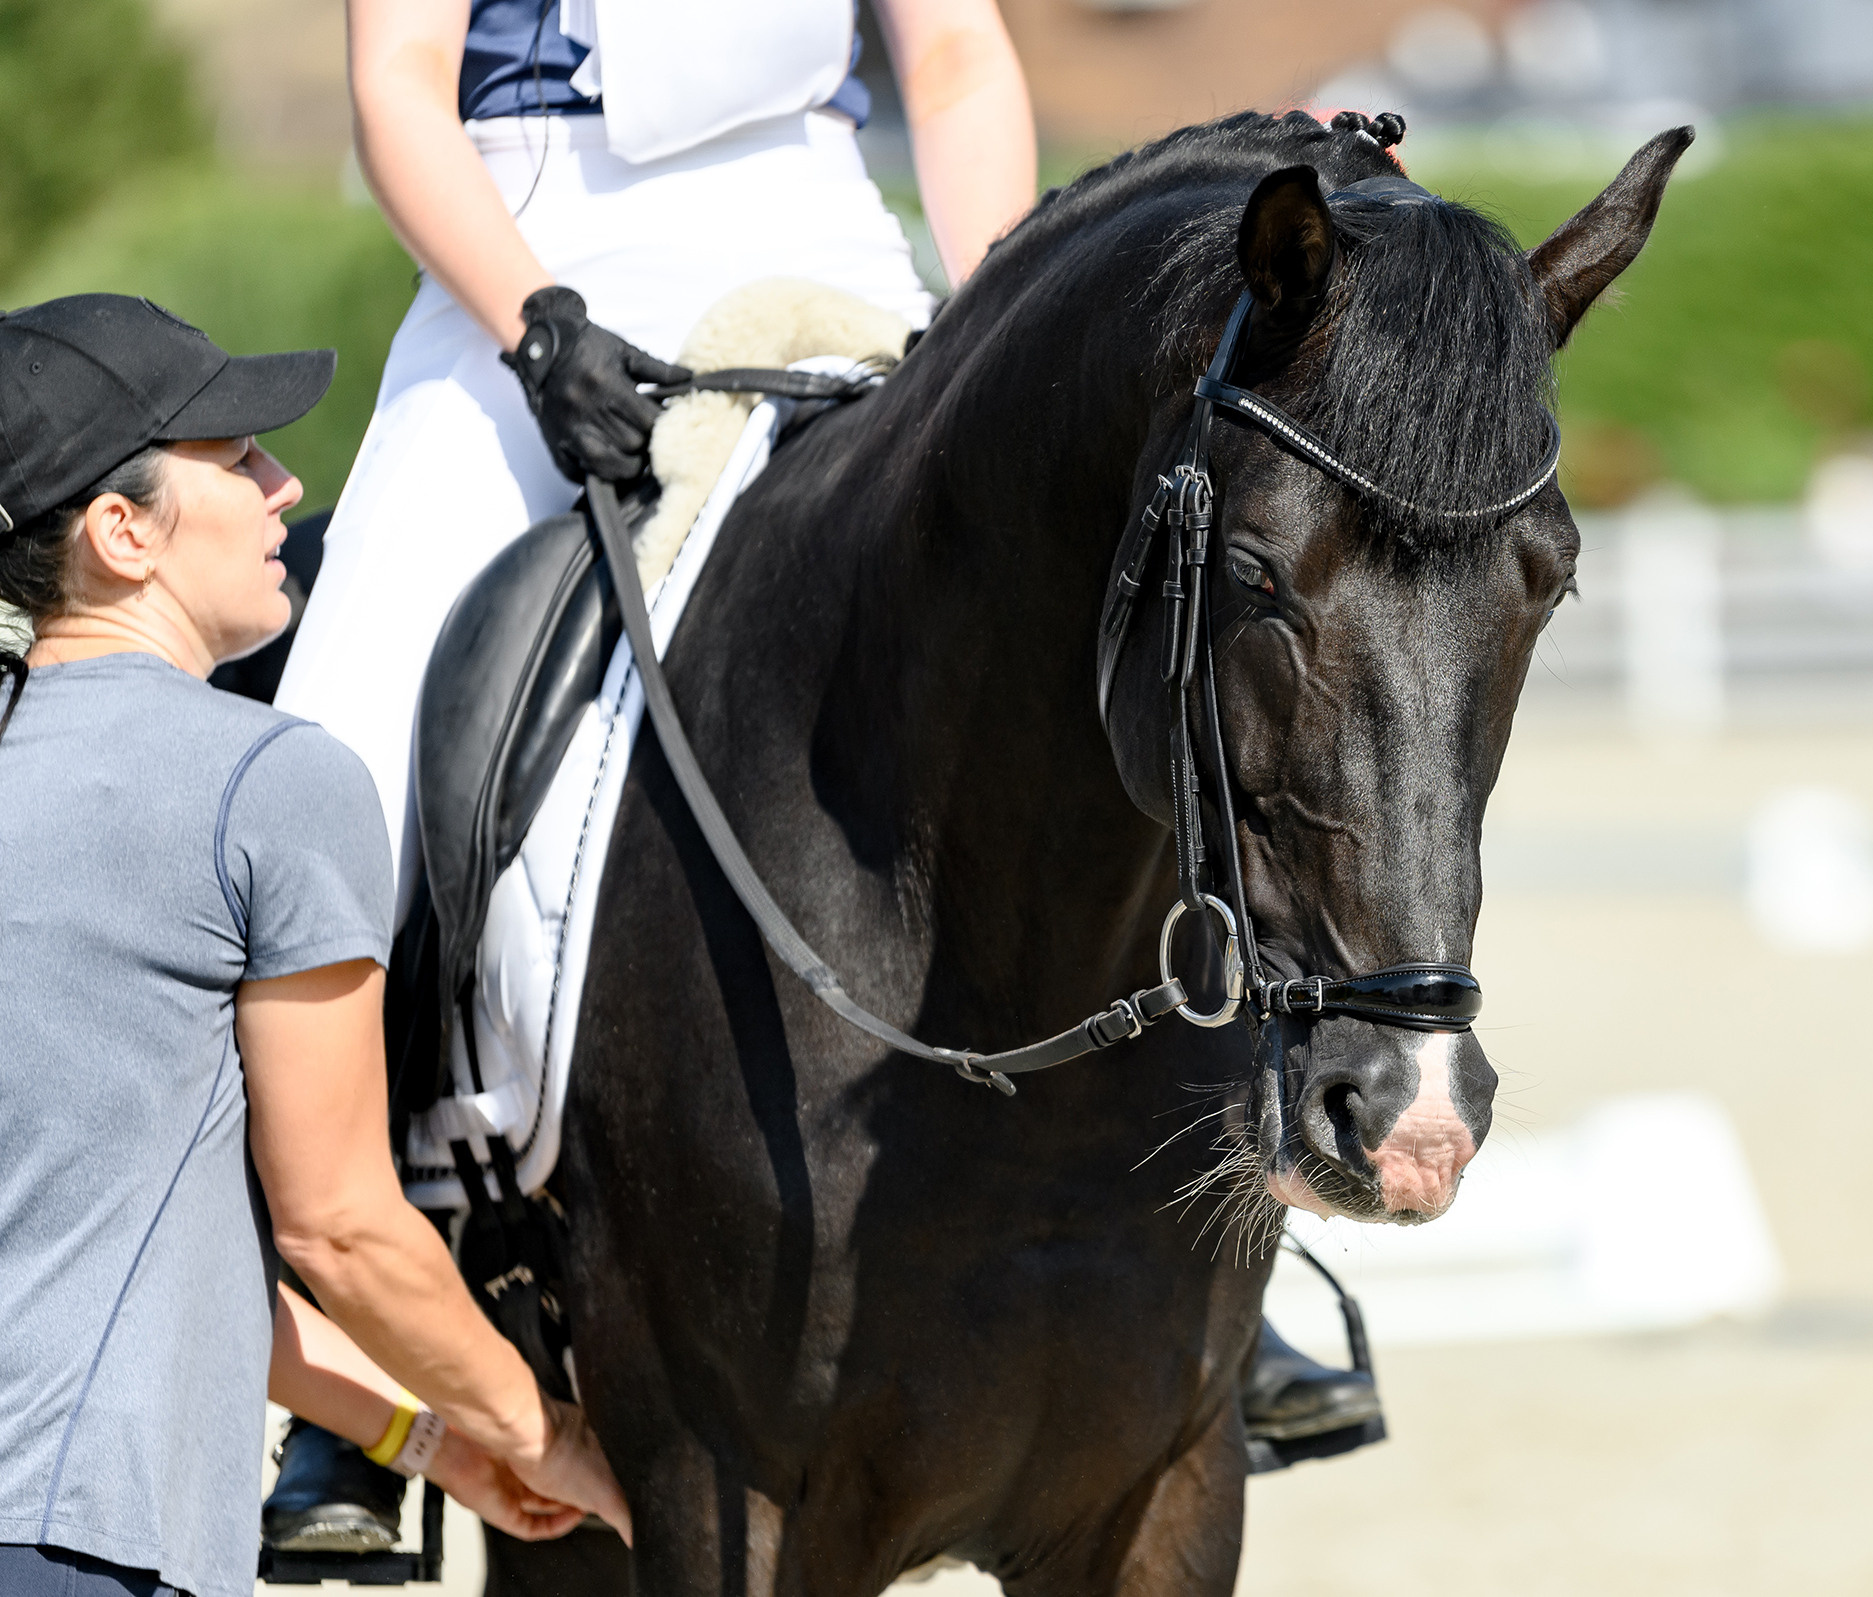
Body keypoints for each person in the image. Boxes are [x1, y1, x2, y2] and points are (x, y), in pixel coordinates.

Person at [261, 0, 1381, 1543]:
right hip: (530, 244)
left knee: (1093, 671)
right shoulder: (523, 284)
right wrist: (534, 324)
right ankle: (380, 1342)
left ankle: (1209, 1266)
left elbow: (955, 57)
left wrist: (1006, 327)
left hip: (832, 234)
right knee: (344, 752)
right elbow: (396, 85)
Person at [0, 294, 629, 1597]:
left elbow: (147, 1258)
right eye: (236, 460)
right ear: (122, 533)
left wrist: (427, 1438)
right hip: (79, 1536)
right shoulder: (267, 780)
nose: (288, 486)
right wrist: (542, 1433)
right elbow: (339, 1224)